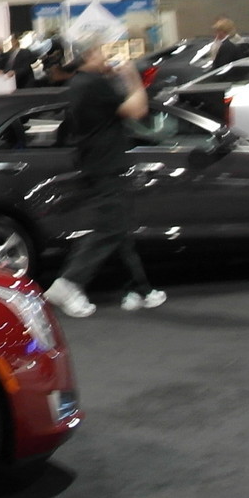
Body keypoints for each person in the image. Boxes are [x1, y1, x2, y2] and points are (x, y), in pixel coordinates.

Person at [44, 38, 164, 317]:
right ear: (87, 55)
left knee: (118, 228)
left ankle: (141, 289)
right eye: (100, 52)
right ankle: (69, 283)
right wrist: (133, 77)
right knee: (109, 228)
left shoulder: (78, 84)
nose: (105, 57)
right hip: (107, 165)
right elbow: (137, 110)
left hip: (95, 164)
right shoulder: (94, 84)